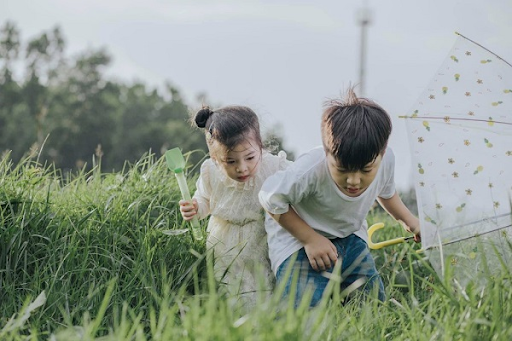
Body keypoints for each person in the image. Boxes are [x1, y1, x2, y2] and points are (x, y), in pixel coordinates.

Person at [259, 88, 420, 307]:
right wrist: (310, 239)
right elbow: (270, 198)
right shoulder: (311, 169)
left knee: (371, 303)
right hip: (297, 239)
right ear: (327, 154)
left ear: (382, 154)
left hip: (349, 237)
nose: (353, 181)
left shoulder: (385, 161)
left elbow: (387, 193)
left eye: (365, 170)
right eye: (342, 169)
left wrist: (411, 222)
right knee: (305, 308)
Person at [179, 105, 290, 310]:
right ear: (215, 158)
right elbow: (204, 198)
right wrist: (196, 207)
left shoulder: (273, 168)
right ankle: (237, 322)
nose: (242, 167)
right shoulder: (211, 173)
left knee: (265, 283)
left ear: (260, 147)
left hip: (261, 236)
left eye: (250, 157)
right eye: (230, 161)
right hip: (225, 241)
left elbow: (299, 184)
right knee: (230, 286)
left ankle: (270, 322)